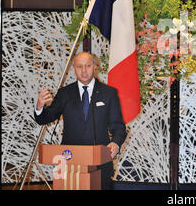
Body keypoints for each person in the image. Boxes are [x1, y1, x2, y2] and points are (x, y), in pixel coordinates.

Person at [34, 51, 127, 190]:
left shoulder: (109, 93)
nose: (84, 70)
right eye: (79, 66)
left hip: (101, 163)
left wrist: (115, 143)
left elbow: (118, 126)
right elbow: (45, 118)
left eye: (88, 66)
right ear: (74, 69)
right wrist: (39, 106)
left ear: (95, 67)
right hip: (70, 162)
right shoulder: (64, 93)